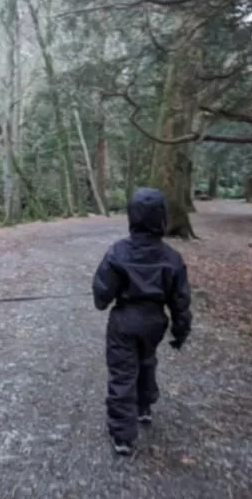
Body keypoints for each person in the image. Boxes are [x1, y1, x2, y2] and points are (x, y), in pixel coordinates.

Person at [92, 187, 192, 455]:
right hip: (154, 322)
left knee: (123, 372)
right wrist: (180, 331)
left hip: (124, 321)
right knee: (146, 361)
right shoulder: (172, 257)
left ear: (132, 216)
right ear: (162, 217)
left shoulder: (118, 253)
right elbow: (180, 300)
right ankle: (144, 407)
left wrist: (105, 297)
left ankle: (123, 436)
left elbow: (102, 294)